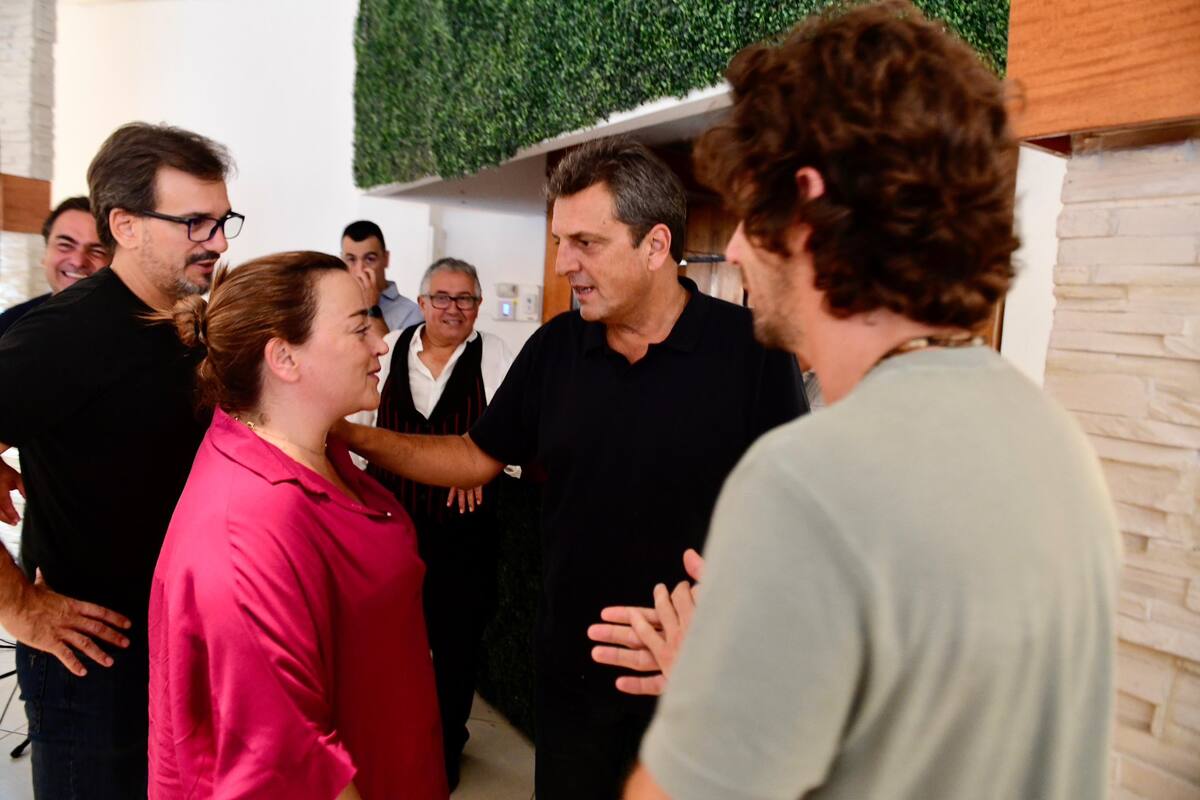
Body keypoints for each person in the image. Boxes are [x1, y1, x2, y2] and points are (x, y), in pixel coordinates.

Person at [590, 4, 1122, 799]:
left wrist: (706, 689)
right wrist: (739, 689)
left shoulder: (807, 480)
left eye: (749, 212)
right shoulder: (1056, 442)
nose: (732, 247)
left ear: (806, 211)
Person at [336, 137, 807, 799]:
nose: (564, 264)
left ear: (655, 245)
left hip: (698, 677)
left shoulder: (753, 350)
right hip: (573, 676)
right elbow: (472, 456)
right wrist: (345, 433)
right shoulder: (556, 346)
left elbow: (795, 518)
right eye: (561, 242)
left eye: (586, 243)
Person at [148, 251, 446, 800]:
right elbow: (291, 768)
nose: (381, 343)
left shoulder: (319, 449)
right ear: (284, 357)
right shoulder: (248, 529)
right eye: (359, 327)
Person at [0, 122, 240, 798]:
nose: (219, 242)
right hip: (95, 661)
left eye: (223, 222)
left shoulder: (190, 324)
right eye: (195, 223)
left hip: (183, 644)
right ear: (126, 225)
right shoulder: (67, 332)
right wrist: (18, 607)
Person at [356, 256, 513, 789]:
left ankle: (445, 752)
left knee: (455, 649)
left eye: (465, 298)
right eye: (442, 297)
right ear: (422, 303)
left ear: (478, 306)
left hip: (464, 534)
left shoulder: (497, 355)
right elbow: (357, 430)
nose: (453, 308)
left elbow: (517, 435)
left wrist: (480, 463)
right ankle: (392, 749)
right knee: (389, 646)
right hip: (391, 527)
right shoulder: (388, 347)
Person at [0, 196, 109, 338]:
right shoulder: (8, 326)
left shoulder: (132, 331)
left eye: (97, 251)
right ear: (45, 253)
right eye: (65, 245)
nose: (78, 261)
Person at [341, 219, 424, 333]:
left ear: (386, 258)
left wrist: (372, 309)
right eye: (351, 259)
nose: (360, 270)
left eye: (370, 259)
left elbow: (386, 346)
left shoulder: (413, 313)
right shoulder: (333, 305)